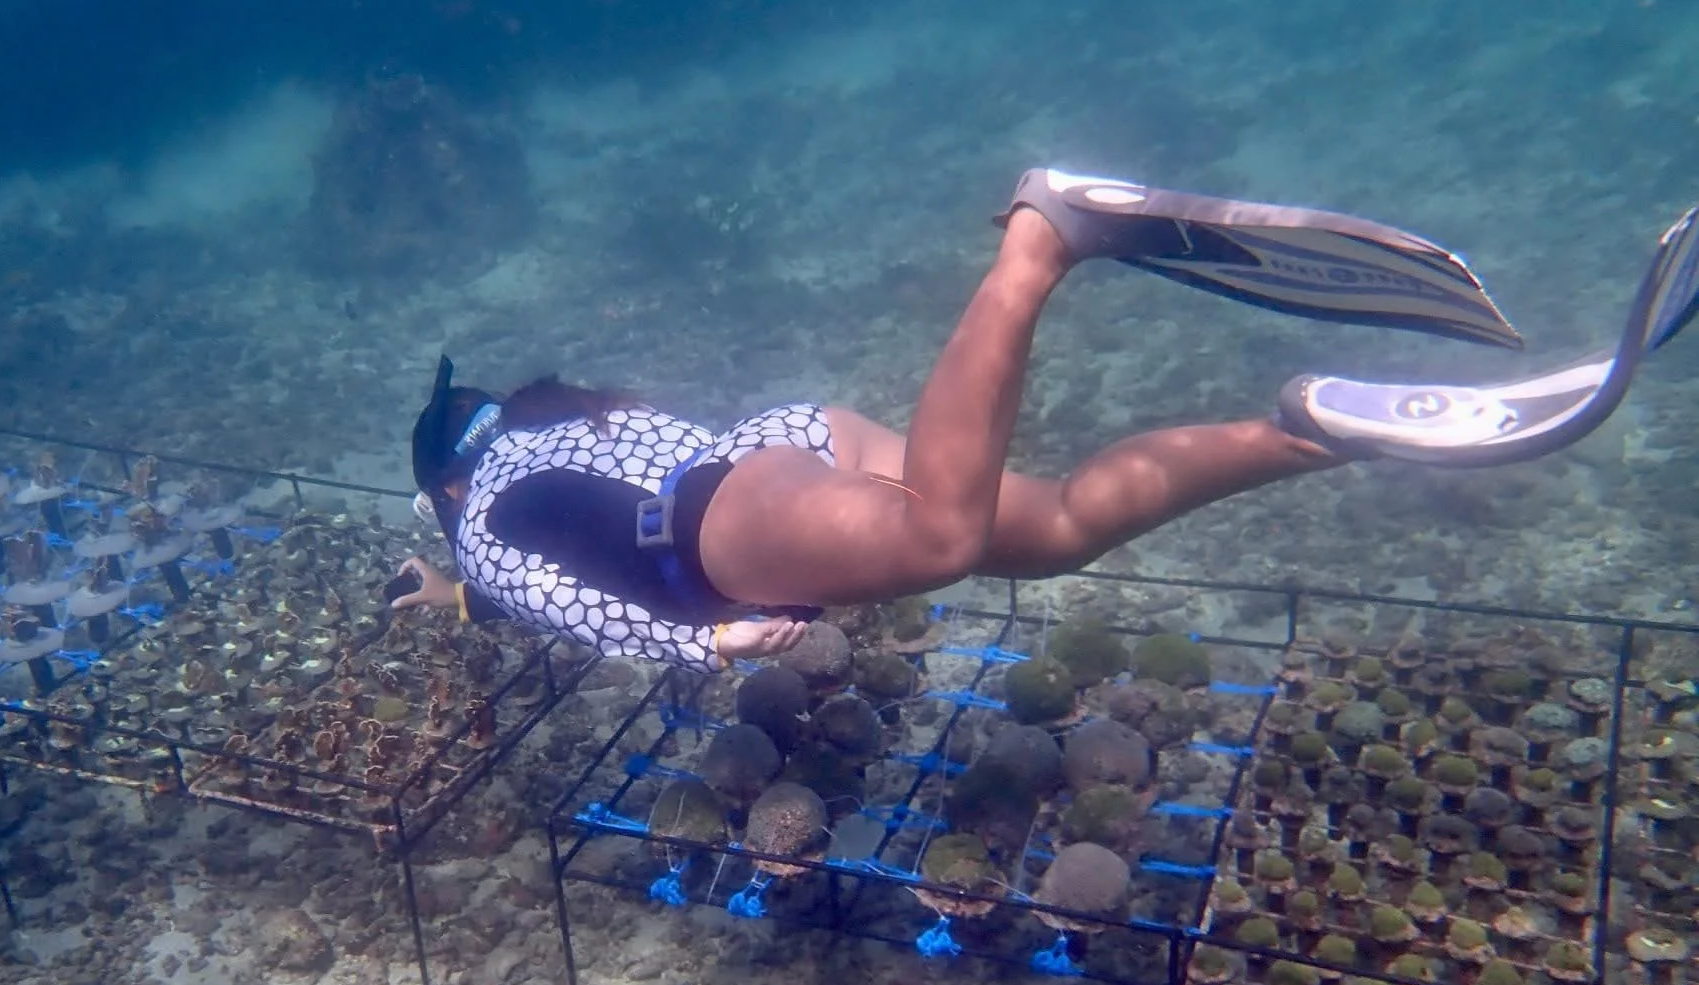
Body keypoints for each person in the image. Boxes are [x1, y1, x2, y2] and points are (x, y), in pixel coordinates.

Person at [394, 168, 1699, 669]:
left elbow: (566, 597)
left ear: (447, 491)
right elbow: (527, 577)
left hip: (720, 535)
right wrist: (460, 597)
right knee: (1063, 527)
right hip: (775, 456)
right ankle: (1316, 429)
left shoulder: (486, 520)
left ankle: (1041, 239)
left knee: (941, 541)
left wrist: (709, 648)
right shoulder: (554, 431)